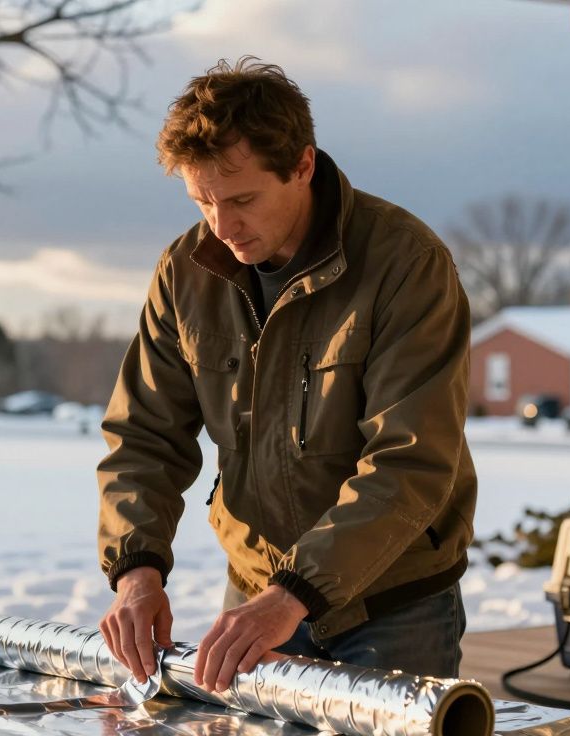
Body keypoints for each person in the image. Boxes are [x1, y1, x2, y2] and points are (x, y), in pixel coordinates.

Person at [96, 57, 477, 694]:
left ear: (302, 165)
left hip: (392, 605)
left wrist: (294, 594)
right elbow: (143, 435)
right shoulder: (184, 273)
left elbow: (411, 461)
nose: (222, 226)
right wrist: (136, 569)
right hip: (253, 596)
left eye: (242, 199)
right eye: (203, 201)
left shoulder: (406, 265)